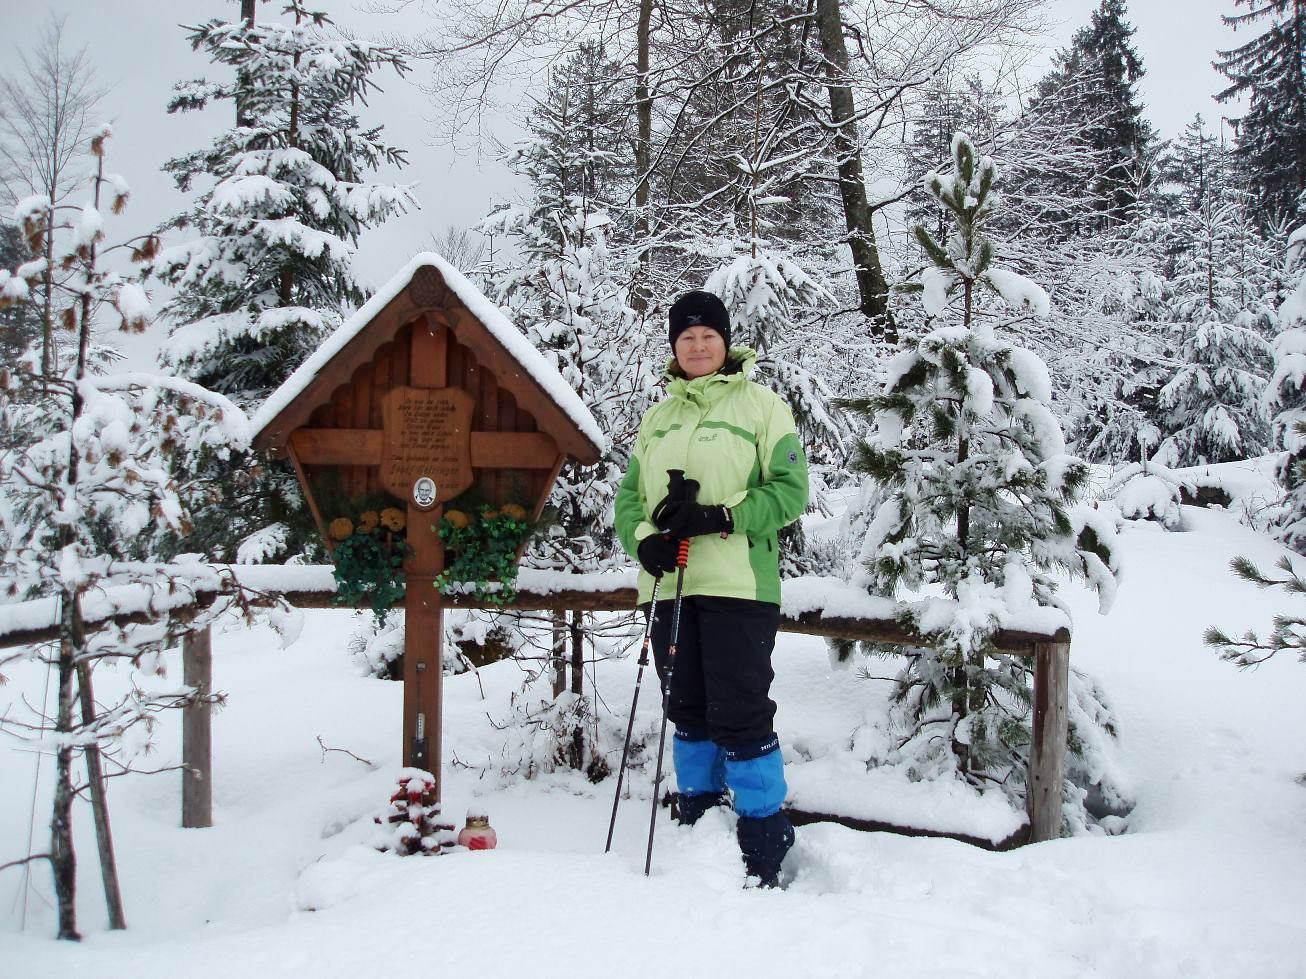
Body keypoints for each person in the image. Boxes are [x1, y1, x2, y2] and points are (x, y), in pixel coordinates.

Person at [613, 289, 809, 887]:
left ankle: (761, 832)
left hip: (738, 585)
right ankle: (697, 813)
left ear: (725, 342)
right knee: (687, 708)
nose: (697, 346)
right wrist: (644, 538)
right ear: (674, 347)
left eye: (708, 336)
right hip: (669, 585)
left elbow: (791, 490)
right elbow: (627, 499)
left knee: (741, 710)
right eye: (686, 337)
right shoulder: (657, 417)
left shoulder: (762, 407)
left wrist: (723, 516)